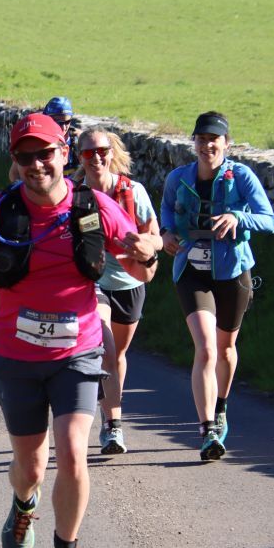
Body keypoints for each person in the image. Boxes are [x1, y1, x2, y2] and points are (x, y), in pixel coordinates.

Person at [0, 113, 157, 548]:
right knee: (31, 468)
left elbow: (143, 272)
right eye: (25, 156)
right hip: (16, 354)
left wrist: (148, 252)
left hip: (77, 351)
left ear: (64, 153)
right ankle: (23, 504)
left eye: (45, 154)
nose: (37, 164)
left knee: (74, 453)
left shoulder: (95, 207)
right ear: (14, 161)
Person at [160, 111, 274, 461]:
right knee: (206, 349)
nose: (207, 145)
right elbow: (167, 213)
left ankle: (221, 407)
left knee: (225, 349)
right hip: (191, 272)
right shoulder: (178, 178)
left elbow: (269, 221)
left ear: (226, 143)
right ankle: (207, 428)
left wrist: (237, 217)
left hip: (232, 272)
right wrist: (166, 234)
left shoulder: (240, 176)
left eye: (214, 139)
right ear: (193, 142)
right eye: (201, 139)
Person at [77, 128, 162, 455]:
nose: (96, 158)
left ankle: (109, 417)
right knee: (107, 351)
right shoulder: (74, 193)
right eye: (89, 153)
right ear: (80, 156)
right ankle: (113, 426)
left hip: (130, 281)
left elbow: (157, 237)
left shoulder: (132, 191)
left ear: (111, 153)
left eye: (102, 151)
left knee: (119, 355)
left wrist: (145, 245)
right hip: (92, 281)